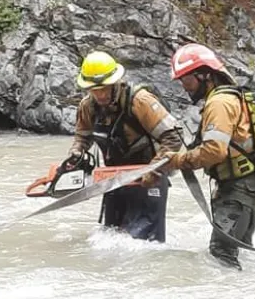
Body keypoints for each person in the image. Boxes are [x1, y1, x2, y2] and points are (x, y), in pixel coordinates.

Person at [155, 43, 255, 270]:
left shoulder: (219, 103)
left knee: (222, 256)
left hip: (238, 191)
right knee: (241, 250)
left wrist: (176, 160)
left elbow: (214, 151)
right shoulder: (230, 97)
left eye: (186, 80)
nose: (184, 88)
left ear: (205, 75)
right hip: (248, 187)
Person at [62, 50, 183, 243]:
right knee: (110, 239)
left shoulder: (140, 101)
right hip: (114, 180)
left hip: (148, 180)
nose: (100, 94)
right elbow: (82, 137)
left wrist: (155, 168)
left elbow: (174, 136)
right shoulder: (87, 106)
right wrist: (76, 152)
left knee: (146, 245)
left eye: (104, 88)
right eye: (94, 89)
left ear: (115, 82)